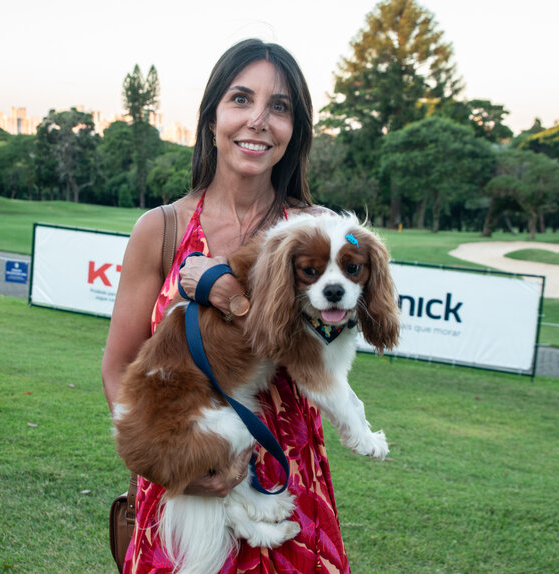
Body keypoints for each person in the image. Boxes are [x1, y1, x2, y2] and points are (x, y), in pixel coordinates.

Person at [101, 38, 349, 573]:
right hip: (182, 493)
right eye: (241, 99)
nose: (258, 120)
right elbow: (118, 369)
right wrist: (172, 464)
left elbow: (326, 349)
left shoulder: (318, 232)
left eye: (279, 106)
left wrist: (228, 296)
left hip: (289, 495)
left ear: (295, 129)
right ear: (212, 116)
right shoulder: (161, 230)